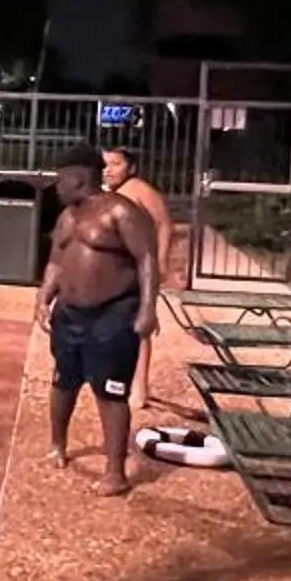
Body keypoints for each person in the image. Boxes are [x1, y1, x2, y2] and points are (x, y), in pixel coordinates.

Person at [38, 148, 161, 495]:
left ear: (78, 176)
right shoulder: (66, 216)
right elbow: (55, 262)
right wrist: (42, 297)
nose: (57, 185)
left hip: (112, 313)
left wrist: (148, 309)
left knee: (110, 393)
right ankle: (56, 446)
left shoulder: (121, 211)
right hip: (70, 314)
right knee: (63, 381)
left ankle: (115, 472)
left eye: (61, 178)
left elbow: (147, 259)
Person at [100, 145, 177, 410]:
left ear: (130, 167)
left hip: (142, 265)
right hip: (119, 267)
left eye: (116, 164)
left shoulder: (140, 190)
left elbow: (165, 224)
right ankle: (118, 377)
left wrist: (162, 261)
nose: (108, 170)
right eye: (106, 164)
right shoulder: (111, 193)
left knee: (140, 325)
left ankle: (140, 388)